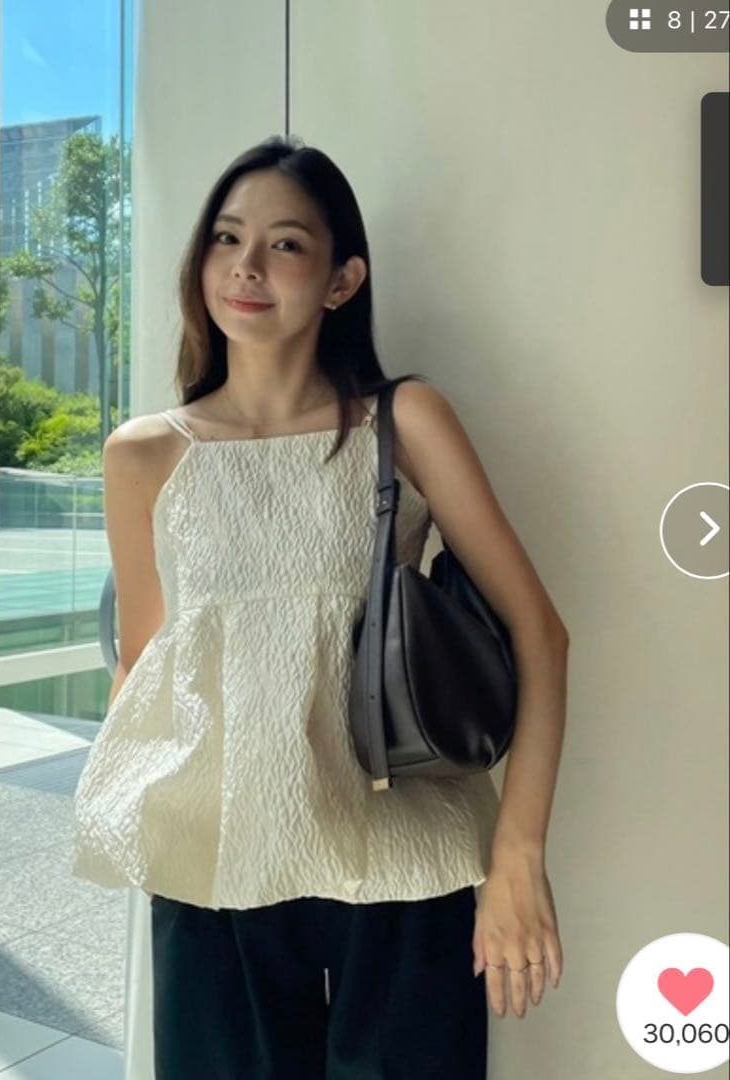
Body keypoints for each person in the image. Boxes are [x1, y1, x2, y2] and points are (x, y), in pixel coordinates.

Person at [73, 135, 569, 1078]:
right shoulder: (142, 454)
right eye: (227, 238)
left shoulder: (404, 421)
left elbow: (539, 634)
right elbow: (143, 665)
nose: (246, 267)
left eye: (286, 244)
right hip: (215, 863)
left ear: (342, 281)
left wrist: (518, 857)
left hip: (403, 853)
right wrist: (134, 824)